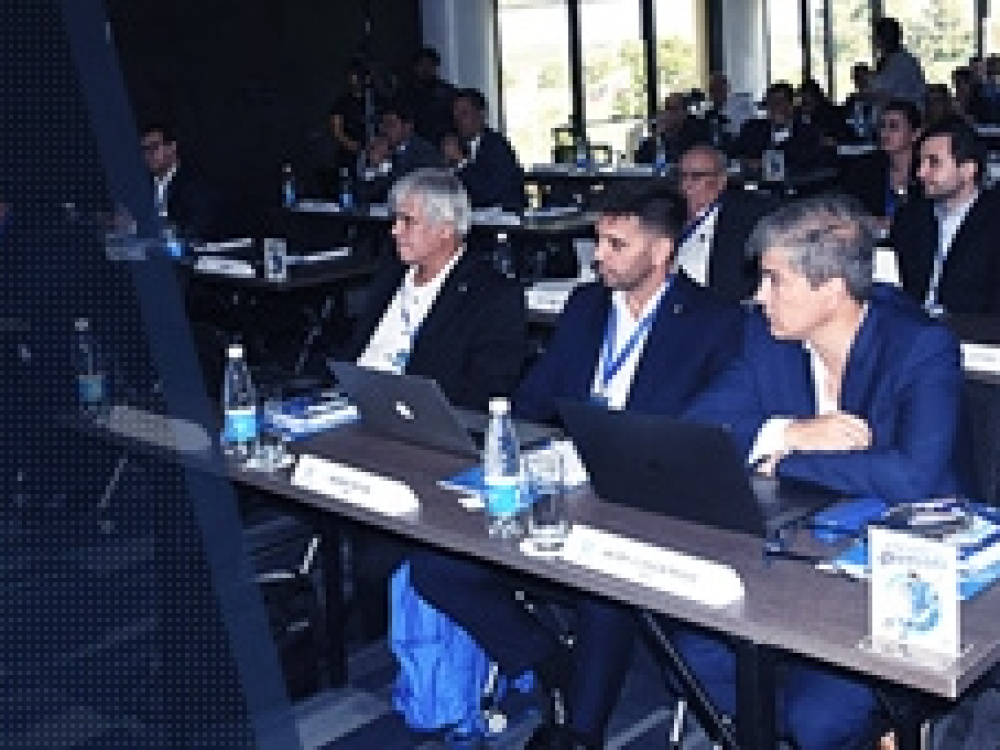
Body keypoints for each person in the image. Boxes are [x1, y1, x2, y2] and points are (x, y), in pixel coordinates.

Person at [410, 184, 743, 750]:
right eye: (599, 240)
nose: (599, 256)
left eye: (616, 245)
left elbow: (706, 435)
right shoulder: (587, 306)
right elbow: (535, 399)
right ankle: (548, 660)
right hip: (564, 483)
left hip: (645, 499)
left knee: (601, 587)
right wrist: (503, 446)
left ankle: (581, 733)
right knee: (436, 567)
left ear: (662, 251)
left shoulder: (713, 322)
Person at [677, 193, 972, 750]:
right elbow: (698, 426)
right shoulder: (765, 336)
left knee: (817, 720)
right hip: (796, 552)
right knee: (695, 647)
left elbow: (913, 477)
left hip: (898, 566)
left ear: (832, 289)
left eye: (774, 280)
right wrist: (791, 429)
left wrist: (792, 459)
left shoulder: (919, 345)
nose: (758, 296)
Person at [337, 168, 526, 411]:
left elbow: (485, 392)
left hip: (421, 418)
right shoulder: (391, 276)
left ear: (446, 229)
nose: (395, 231)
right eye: (395, 220)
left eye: (408, 221)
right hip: (352, 405)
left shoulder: (492, 295)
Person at [890, 115, 1000, 315]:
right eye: (920, 162)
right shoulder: (911, 217)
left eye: (933, 163)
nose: (921, 173)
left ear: (968, 170)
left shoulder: (994, 220)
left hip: (975, 329)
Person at [674, 144, 779, 301]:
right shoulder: (667, 213)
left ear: (721, 180)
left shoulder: (745, 217)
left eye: (696, 176)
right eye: (681, 176)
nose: (686, 184)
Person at [838, 99, 922, 233]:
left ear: (915, 134)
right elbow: (848, 208)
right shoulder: (865, 169)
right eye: (882, 126)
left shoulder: (927, 171)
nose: (884, 133)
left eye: (893, 127)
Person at [140, 122, 220, 239]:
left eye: (155, 147)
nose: (149, 154)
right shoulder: (143, 188)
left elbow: (200, 226)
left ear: (172, 147)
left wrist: (171, 230)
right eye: (145, 149)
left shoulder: (195, 183)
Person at [451, 88, 526, 211]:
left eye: (464, 114)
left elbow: (489, 192)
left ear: (481, 115)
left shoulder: (497, 146)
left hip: (502, 216)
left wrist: (461, 161)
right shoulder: (458, 145)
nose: (458, 121)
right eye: (455, 116)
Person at [357, 99, 444, 204]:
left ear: (407, 127)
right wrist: (373, 165)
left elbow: (399, 190)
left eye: (390, 124)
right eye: (382, 125)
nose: (384, 130)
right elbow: (361, 195)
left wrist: (381, 166)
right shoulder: (375, 150)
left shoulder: (424, 154)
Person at [732, 82, 829, 174]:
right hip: (755, 183)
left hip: (796, 183)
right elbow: (735, 153)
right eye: (770, 102)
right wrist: (745, 162)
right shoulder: (752, 128)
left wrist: (766, 163)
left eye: (780, 101)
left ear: (791, 105)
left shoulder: (808, 132)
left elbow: (810, 162)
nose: (775, 106)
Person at [399, 46, 456, 147]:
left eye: (430, 64)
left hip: (442, 144)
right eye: (422, 64)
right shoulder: (404, 94)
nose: (426, 69)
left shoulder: (448, 92)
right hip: (414, 145)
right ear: (415, 67)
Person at [634, 93, 710, 165]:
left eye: (673, 109)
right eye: (666, 109)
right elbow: (639, 161)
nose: (668, 113)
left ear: (684, 113)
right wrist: (655, 137)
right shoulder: (658, 135)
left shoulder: (694, 136)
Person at [867, 16, 927, 109]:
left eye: (886, 35)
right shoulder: (884, 60)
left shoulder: (904, 62)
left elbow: (884, 93)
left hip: (905, 113)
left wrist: (865, 94)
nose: (875, 40)